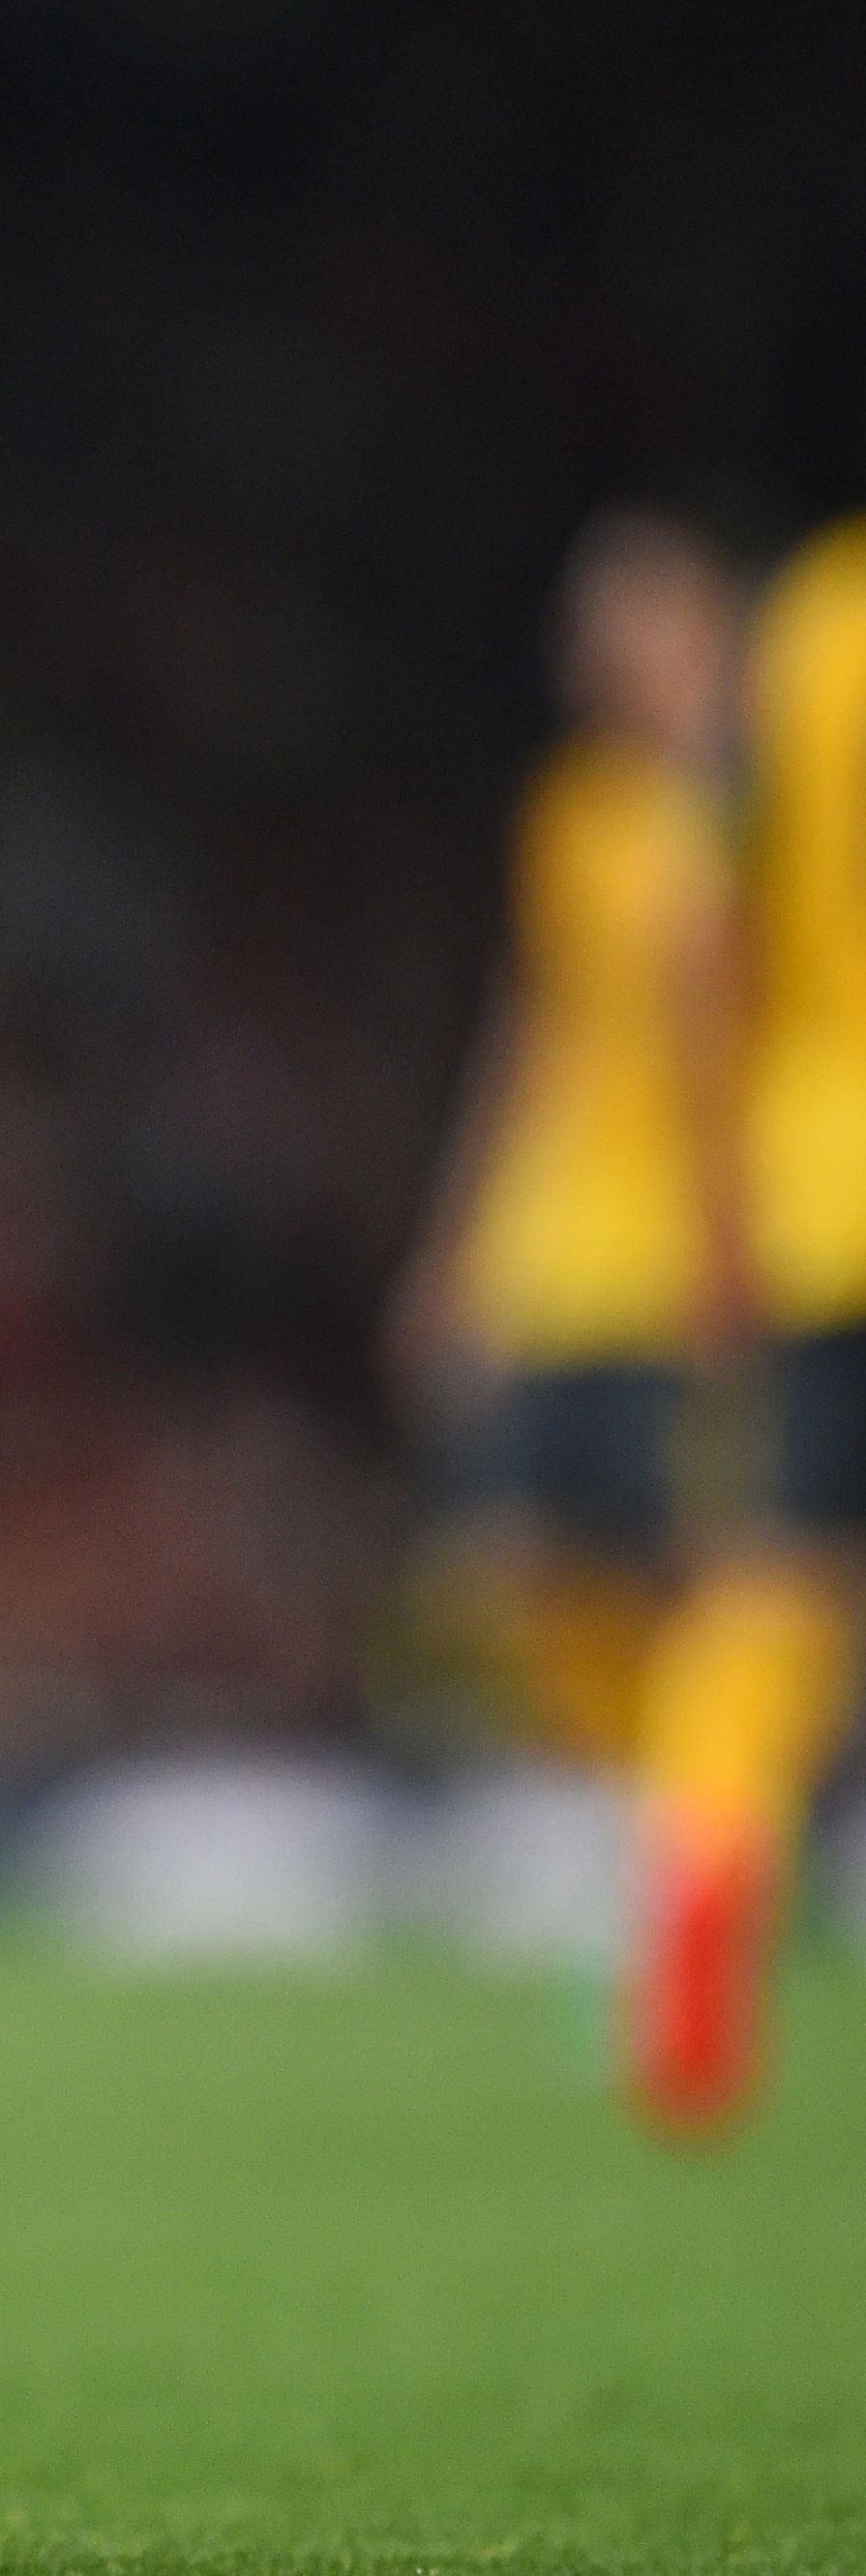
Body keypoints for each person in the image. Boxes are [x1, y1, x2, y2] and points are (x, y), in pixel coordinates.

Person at [388, 514, 745, 1768]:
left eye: (640, 621)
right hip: (560, 1252)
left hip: (697, 1255)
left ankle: (721, 1807)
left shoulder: (758, 819)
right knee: (515, 1561)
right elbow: (534, 1033)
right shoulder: (572, 815)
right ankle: (650, 1801)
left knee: (712, 1564)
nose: (606, 653)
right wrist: (452, 1253)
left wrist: (738, 1249)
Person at [620, 494, 866, 2139]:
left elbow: (709, 931)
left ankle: (707, 1876)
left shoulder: (806, 629)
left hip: (826, 1180)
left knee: (777, 1576)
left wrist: (717, 1204)